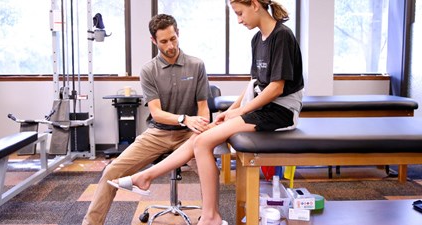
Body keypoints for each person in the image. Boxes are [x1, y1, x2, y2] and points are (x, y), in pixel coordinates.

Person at [110, 0, 303, 224]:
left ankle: (210, 215)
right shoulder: (257, 39)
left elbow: (275, 88)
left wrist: (238, 112)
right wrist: (230, 111)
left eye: (240, 13)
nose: (239, 20)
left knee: (202, 142)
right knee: (201, 138)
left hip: (280, 111)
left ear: (255, 5)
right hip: (263, 107)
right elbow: (254, 84)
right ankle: (145, 177)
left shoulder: (282, 36)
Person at [82, 14, 212, 225]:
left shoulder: (196, 65)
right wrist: (184, 119)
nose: (170, 45)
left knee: (210, 172)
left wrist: (202, 128)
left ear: (178, 34)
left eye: (173, 38)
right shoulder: (148, 70)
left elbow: (203, 107)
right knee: (112, 171)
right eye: (163, 41)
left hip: (189, 135)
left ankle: (210, 218)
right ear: (154, 41)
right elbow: (157, 112)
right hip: (158, 133)